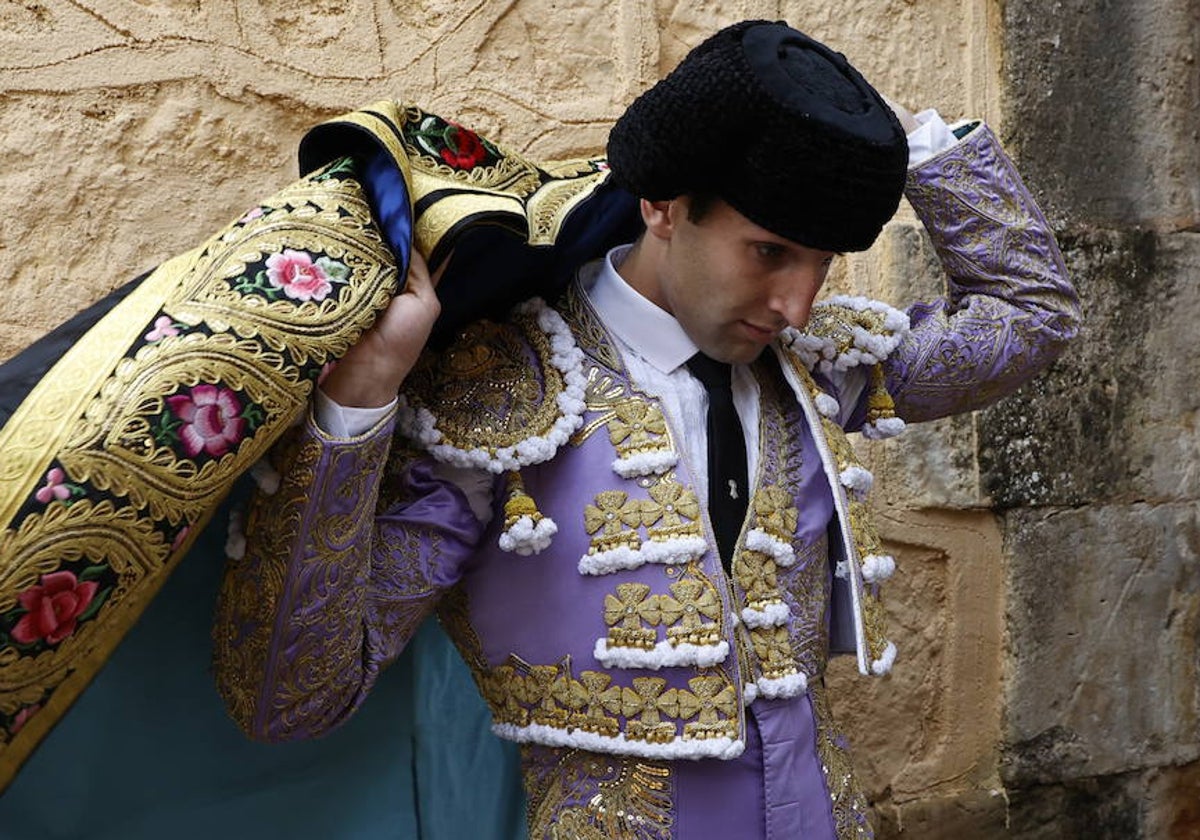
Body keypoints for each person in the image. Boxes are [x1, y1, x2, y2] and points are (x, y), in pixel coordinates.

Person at [212, 20, 1079, 839]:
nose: (796, 304)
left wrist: (916, 147)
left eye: (823, 263)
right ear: (664, 205)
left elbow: (1030, 319)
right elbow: (289, 696)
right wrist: (358, 406)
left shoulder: (813, 367)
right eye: (770, 251)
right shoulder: (501, 403)